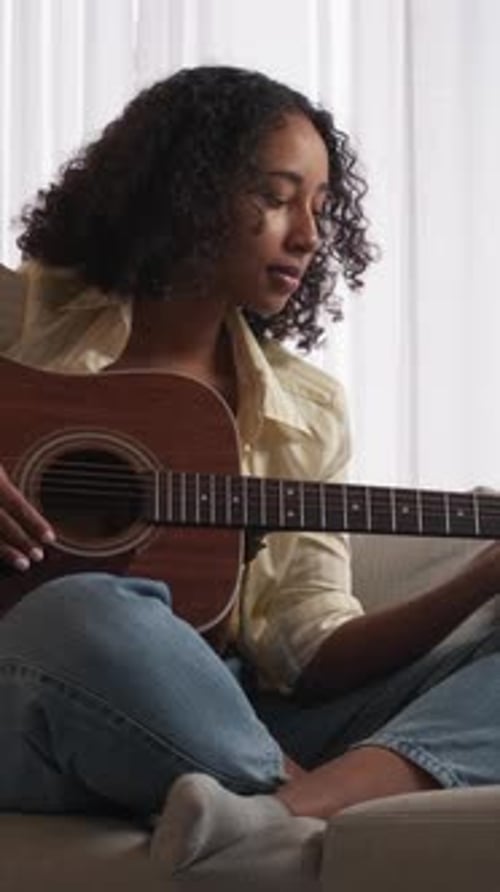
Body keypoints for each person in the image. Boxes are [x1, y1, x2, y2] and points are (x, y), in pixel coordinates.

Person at [1, 65, 500, 883]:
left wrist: (480, 580)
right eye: (276, 196)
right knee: (90, 612)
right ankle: (298, 797)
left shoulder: (306, 410)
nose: (307, 234)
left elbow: (309, 649)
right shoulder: (20, 312)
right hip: (50, 684)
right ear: (185, 191)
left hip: (241, 711)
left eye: (320, 208)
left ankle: (277, 814)